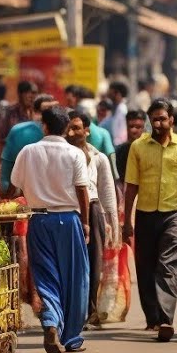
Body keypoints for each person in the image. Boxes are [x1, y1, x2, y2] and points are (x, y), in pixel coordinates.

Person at [10, 107, 92, 353]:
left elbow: (16, 185)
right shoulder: (75, 153)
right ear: (66, 127)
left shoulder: (28, 151)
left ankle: (50, 321)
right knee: (76, 278)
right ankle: (72, 337)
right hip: (68, 220)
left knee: (45, 277)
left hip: (39, 220)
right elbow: (82, 191)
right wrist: (86, 223)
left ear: (44, 126)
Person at [121, 99, 177, 342]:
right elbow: (131, 186)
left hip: (174, 214)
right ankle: (152, 319)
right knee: (145, 267)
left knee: (168, 266)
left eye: (162, 119)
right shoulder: (138, 147)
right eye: (154, 119)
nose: (158, 123)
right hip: (145, 214)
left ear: (171, 120)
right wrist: (127, 221)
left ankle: (166, 319)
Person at [65, 111, 119, 327]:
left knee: (93, 264)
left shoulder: (99, 157)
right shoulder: (63, 155)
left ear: (87, 131)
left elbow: (107, 192)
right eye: (69, 127)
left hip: (94, 210)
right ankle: (73, 312)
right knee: (72, 264)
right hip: (69, 211)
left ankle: (91, 310)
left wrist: (114, 224)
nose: (72, 132)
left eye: (77, 127)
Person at [0, 94, 58, 193]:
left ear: (31, 111)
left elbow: (6, 176)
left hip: (26, 198)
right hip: (58, 199)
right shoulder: (65, 132)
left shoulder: (18, 130)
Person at [0, 81, 37, 164]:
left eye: (34, 93)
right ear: (20, 94)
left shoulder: (37, 114)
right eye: (28, 93)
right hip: (13, 161)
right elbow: (0, 139)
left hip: (32, 162)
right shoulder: (10, 112)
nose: (32, 96)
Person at [114, 110, 147, 185]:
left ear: (144, 128)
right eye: (131, 126)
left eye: (138, 127)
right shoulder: (120, 151)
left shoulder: (151, 150)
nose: (133, 130)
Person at [105, 81, 131, 146]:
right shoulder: (116, 108)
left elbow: (122, 133)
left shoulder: (122, 109)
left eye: (111, 93)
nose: (109, 96)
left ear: (118, 94)